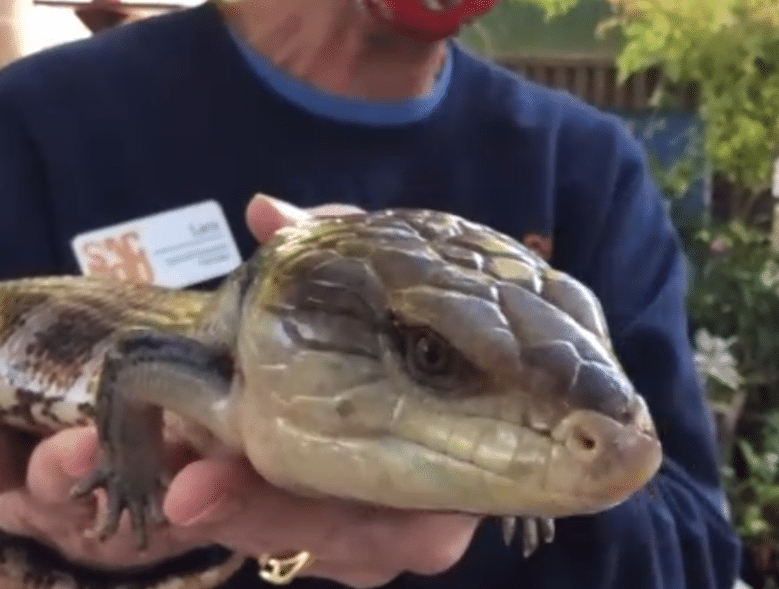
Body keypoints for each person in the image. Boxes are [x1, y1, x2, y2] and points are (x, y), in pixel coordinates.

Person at [0, 0, 741, 588]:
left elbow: (690, 549)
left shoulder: (584, 166)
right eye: (429, 353)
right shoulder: (32, 122)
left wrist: (481, 518)